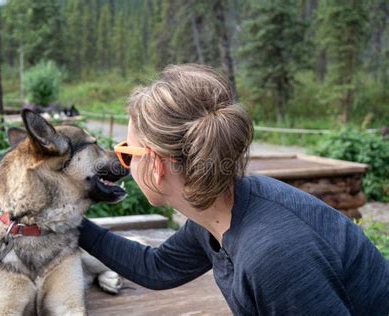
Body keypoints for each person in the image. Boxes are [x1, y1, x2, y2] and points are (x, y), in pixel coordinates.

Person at [79, 64, 389, 315]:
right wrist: (67, 221)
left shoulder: (277, 257)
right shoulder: (219, 206)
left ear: (158, 167)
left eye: (127, 154)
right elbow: (158, 268)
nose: (125, 165)